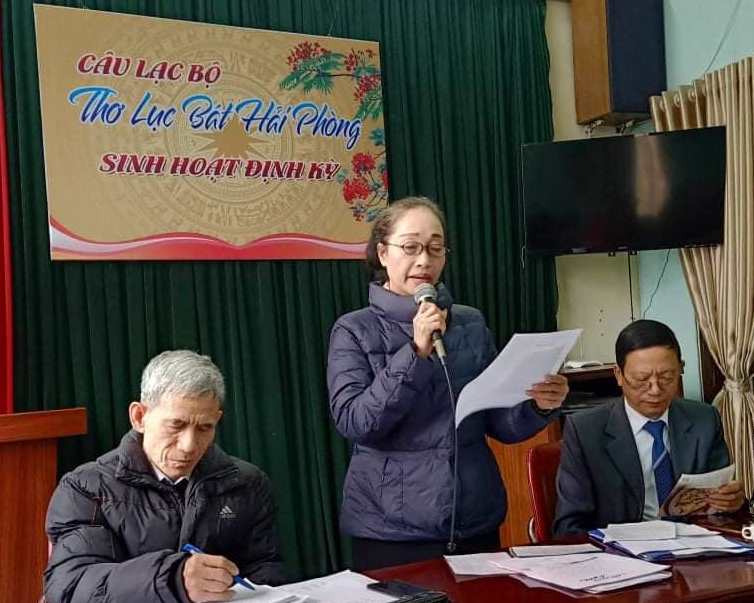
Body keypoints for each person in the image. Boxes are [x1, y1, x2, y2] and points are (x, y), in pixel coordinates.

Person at [326, 196, 568, 570]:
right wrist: (415, 352)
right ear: (383, 253)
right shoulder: (354, 329)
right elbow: (357, 422)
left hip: (474, 519)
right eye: (411, 247)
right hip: (392, 532)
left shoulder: (469, 323)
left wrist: (538, 405)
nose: (424, 260)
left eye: (435, 248)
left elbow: (498, 423)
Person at [44, 350, 285, 603]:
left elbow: (266, 573)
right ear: (139, 417)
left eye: (205, 428)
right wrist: (172, 579)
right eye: (176, 425)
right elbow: (70, 587)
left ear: (217, 419)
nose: (189, 446)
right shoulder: (86, 488)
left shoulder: (247, 483)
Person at [553, 319, 745, 536]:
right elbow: (568, 526)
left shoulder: (704, 419)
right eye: (641, 379)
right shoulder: (585, 431)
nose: (655, 390)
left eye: (667, 377)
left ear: (680, 369)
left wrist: (731, 502)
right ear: (619, 375)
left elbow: (721, 509)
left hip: (693, 545)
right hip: (622, 549)